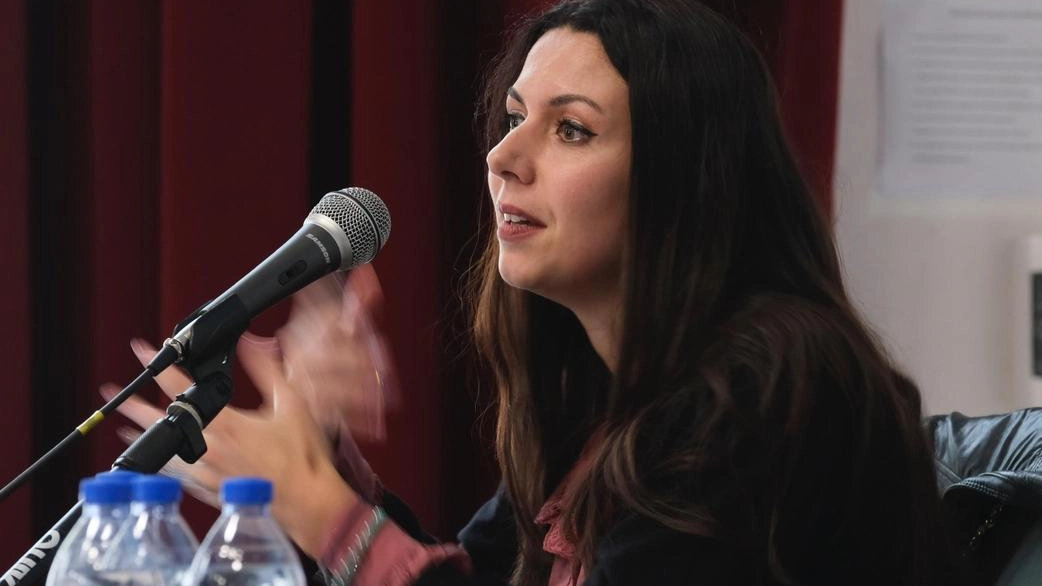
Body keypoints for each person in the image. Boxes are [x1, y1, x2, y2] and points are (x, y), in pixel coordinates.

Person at [105, 1, 961, 584]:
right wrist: (319, 464)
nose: (503, 157)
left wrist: (326, 515)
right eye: (515, 116)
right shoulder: (608, 401)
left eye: (572, 129)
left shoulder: (776, 393)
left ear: (685, 181)